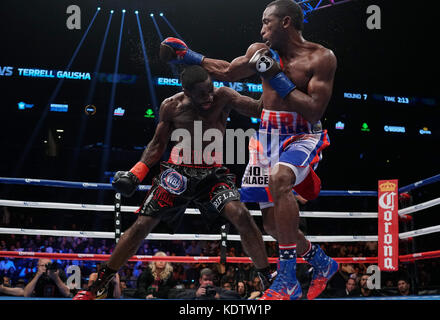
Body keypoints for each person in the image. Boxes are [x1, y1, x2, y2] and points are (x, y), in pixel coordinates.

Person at [160, 0, 337, 300]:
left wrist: (277, 79)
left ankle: (288, 279)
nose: (261, 28)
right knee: (271, 223)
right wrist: (187, 54)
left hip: (301, 133)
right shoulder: (260, 51)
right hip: (267, 135)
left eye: (267, 22)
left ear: (286, 23)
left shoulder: (321, 58)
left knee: (280, 181)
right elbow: (228, 71)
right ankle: (321, 262)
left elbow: (314, 111)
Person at [73, 65, 271, 299]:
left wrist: (270, 76)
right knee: (141, 226)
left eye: (210, 89)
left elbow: (260, 109)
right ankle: (98, 285)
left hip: (212, 172)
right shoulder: (171, 106)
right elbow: (157, 145)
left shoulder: (223, 96)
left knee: (241, 215)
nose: (209, 97)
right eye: (201, 94)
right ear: (186, 91)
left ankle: (270, 283)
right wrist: (136, 173)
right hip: (177, 172)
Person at [175, 267, 241, 300]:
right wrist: (195, 294)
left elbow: (236, 296)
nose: (208, 282)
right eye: (205, 280)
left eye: (210, 280)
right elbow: (177, 296)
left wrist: (219, 296)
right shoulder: (195, 290)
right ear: (200, 280)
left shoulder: (217, 290)